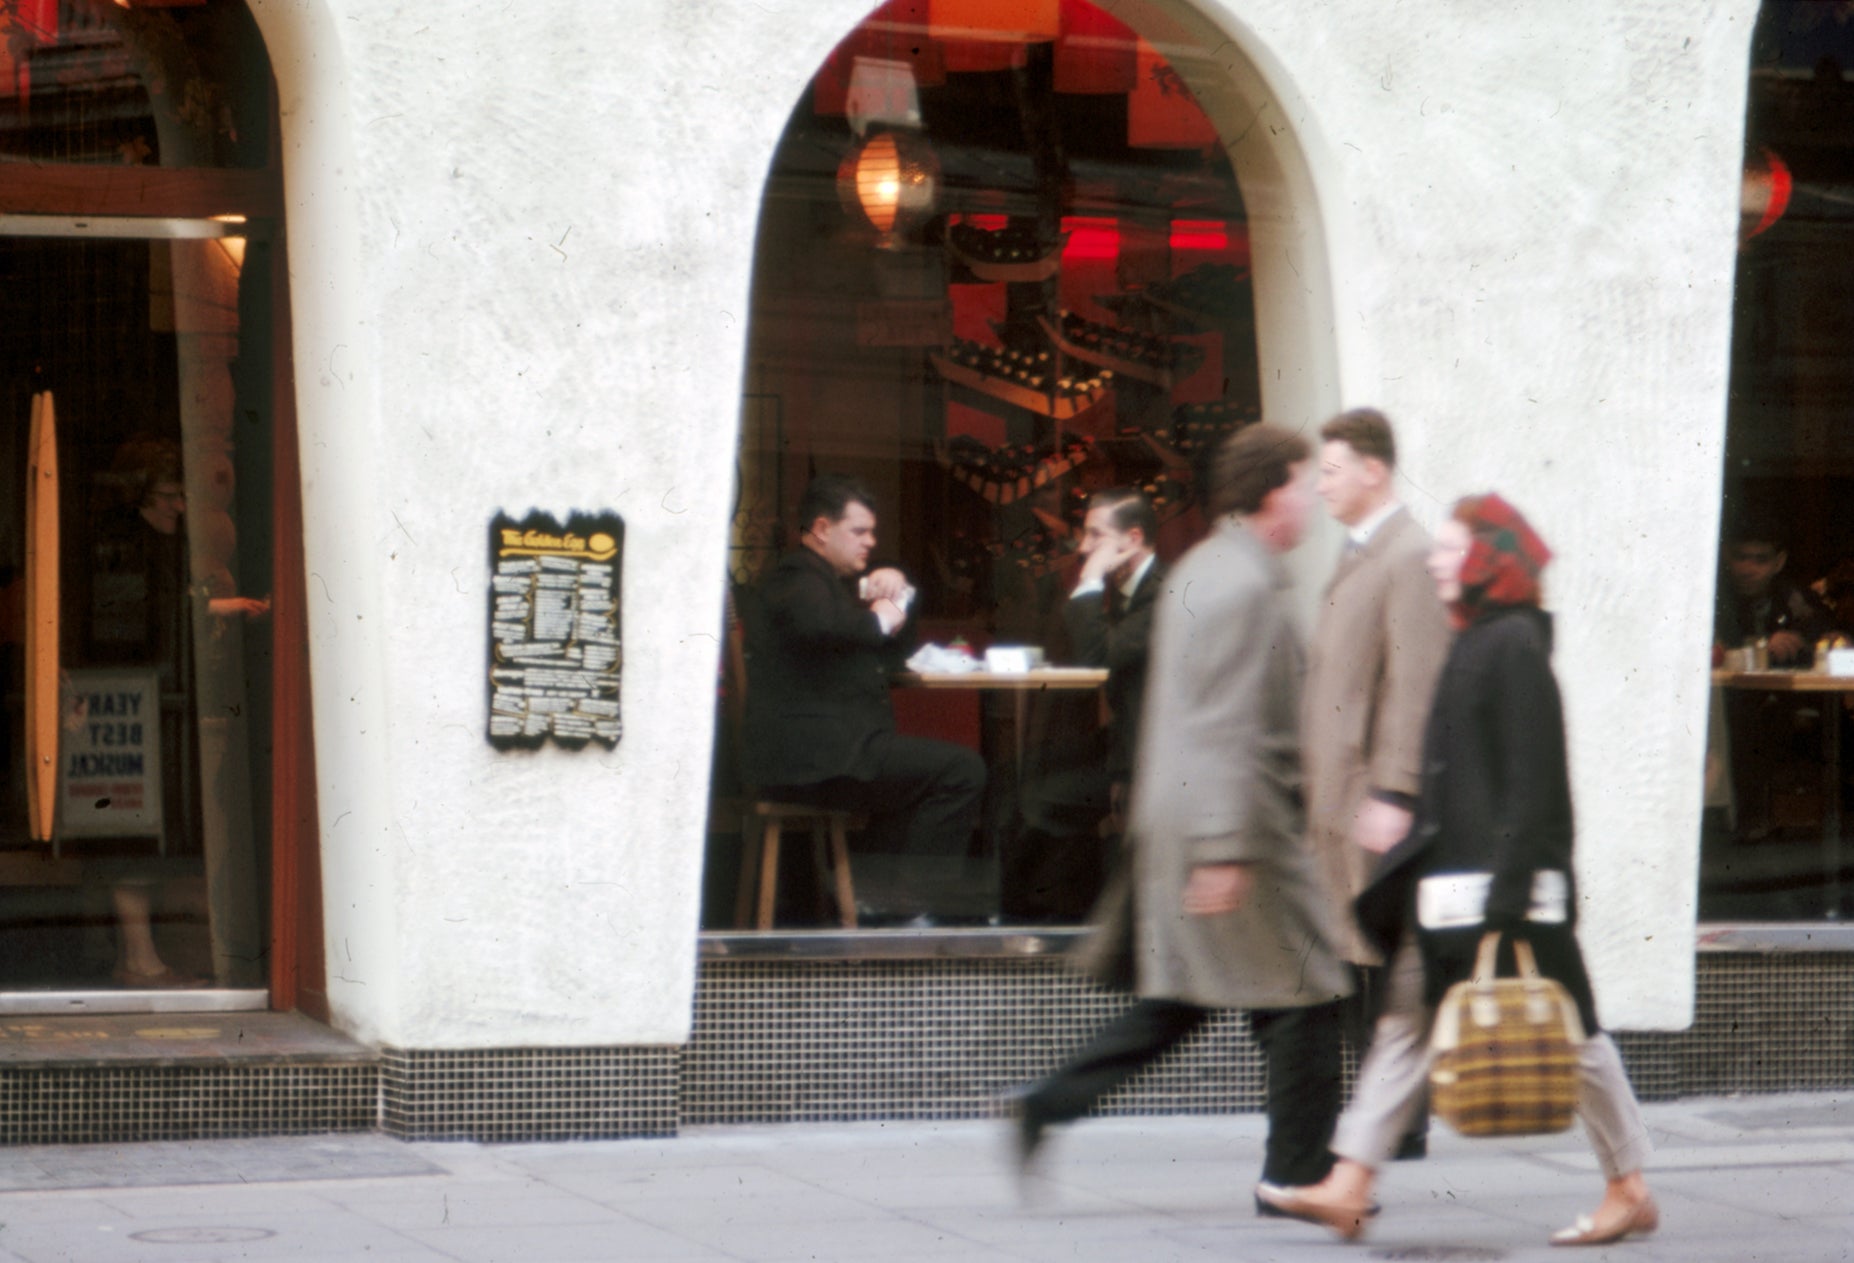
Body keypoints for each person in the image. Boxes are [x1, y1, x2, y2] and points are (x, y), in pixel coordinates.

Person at [1260, 493, 1657, 1248]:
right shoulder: (1476, 639)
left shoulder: (1510, 645)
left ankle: (1630, 1184)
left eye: (1450, 548)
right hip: (1459, 890)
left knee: (1574, 1037)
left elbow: (1536, 783)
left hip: (1506, 894)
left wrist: (1509, 896)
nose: (1435, 559)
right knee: (1410, 1024)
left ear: (1489, 561)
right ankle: (1350, 1181)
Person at [1009, 424, 1353, 1208]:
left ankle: (1049, 1103)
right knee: (1308, 990)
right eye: (1304, 483)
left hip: (1204, 823)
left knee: (1188, 1000)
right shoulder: (1236, 581)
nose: (1312, 499)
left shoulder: (1214, 568)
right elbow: (1223, 719)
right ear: (1274, 492)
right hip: (1234, 828)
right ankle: (1296, 1174)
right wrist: (1224, 847)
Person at [1304, 408, 1451, 1158]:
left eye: (1331, 470)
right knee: (1362, 958)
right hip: (1340, 802)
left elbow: (1416, 686)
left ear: (1374, 471)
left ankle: (1400, 1122)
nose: (1320, 484)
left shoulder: (1407, 554)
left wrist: (1393, 788)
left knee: (1386, 960)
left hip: (1372, 803)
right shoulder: (1360, 551)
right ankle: (1382, 1122)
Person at [740, 474, 985, 915]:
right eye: (859, 531)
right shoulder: (794, 576)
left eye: (872, 532)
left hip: (833, 754)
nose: (870, 542)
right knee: (961, 770)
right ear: (820, 530)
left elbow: (888, 649)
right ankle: (910, 906)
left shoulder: (823, 584)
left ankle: (879, 902)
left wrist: (893, 588)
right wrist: (878, 617)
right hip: (814, 762)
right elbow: (823, 625)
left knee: (929, 773)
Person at [1002, 488, 1164, 922]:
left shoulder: (1162, 594)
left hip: (1151, 758)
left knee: (1047, 795)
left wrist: (1089, 580)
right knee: (1033, 770)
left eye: (1095, 536)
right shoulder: (1129, 592)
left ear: (1131, 539)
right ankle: (1050, 911)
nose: (1084, 547)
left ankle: (1050, 915)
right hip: (1126, 742)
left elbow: (1099, 657)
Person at [1714, 522, 1832, 667]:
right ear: (1726, 556)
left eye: (1761, 560)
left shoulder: (1793, 596)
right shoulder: (1712, 597)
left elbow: (1824, 631)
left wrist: (1805, 641)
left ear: (1779, 562)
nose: (1748, 569)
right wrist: (1763, 645)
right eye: (1740, 557)